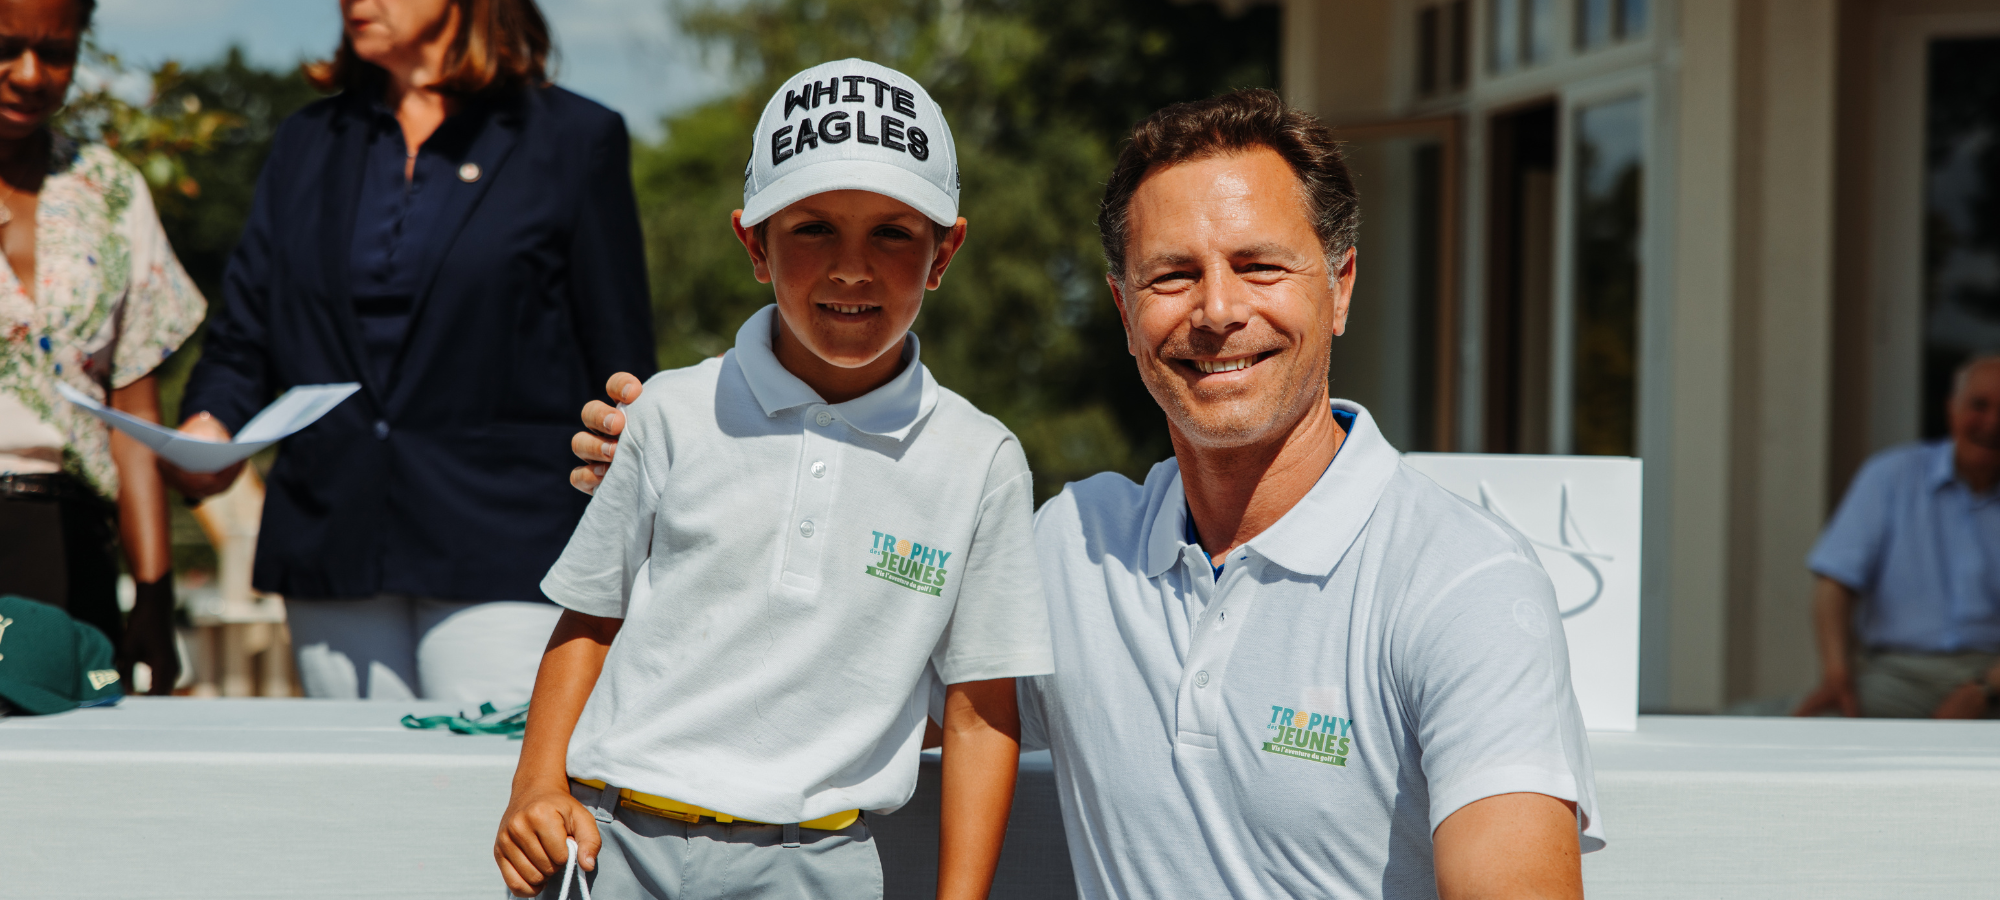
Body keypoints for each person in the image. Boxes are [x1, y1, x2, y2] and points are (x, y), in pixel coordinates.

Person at [574, 90, 1601, 898]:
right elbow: (841, 675)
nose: (1214, 311)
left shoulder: (1463, 585)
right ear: (1120, 309)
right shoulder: (1069, 548)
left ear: (1337, 288)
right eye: (1169, 277)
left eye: (1256, 265)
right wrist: (701, 460)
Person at [494, 59, 1051, 900]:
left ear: (946, 253)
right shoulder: (668, 414)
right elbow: (589, 620)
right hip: (612, 847)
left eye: (895, 232)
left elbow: (980, 710)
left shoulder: (981, 462)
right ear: (754, 243)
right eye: (813, 228)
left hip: (819, 865)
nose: (852, 268)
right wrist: (534, 786)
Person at [164, 0, 655, 705]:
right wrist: (208, 426)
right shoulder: (307, 141)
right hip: (332, 542)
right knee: (360, 804)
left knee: (488, 798)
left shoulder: (575, 138)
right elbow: (244, 336)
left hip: (509, 549)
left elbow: (621, 367)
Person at [0, 0, 202, 695]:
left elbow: (133, 416)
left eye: (56, 52)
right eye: (6, 46)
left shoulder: (110, 191)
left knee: (65, 784)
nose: (30, 74)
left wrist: (152, 594)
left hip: (71, 544)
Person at [1796, 354, 2000, 720]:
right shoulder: (1890, 476)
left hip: (1995, 674)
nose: (1993, 422)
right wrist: (1837, 673)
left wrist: (1984, 689)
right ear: (1951, 410)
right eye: (1979, 405)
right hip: (1899, 675)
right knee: (1811, 732)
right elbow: (1835, 583)